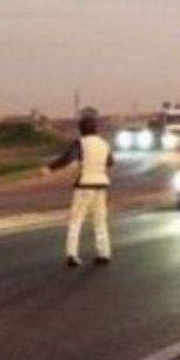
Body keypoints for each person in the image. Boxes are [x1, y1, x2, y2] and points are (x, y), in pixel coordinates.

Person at [44, 108, 114, 266]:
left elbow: (67, 158)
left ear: (81, 129)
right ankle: (104, 253)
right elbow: (110, 162)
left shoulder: (80, 143)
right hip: (101, 185)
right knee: (100, 220)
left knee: (76, 221)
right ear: (96, 128)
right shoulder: (103, 144)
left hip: (84, 185)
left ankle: (72, 254)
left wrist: (49, 168)